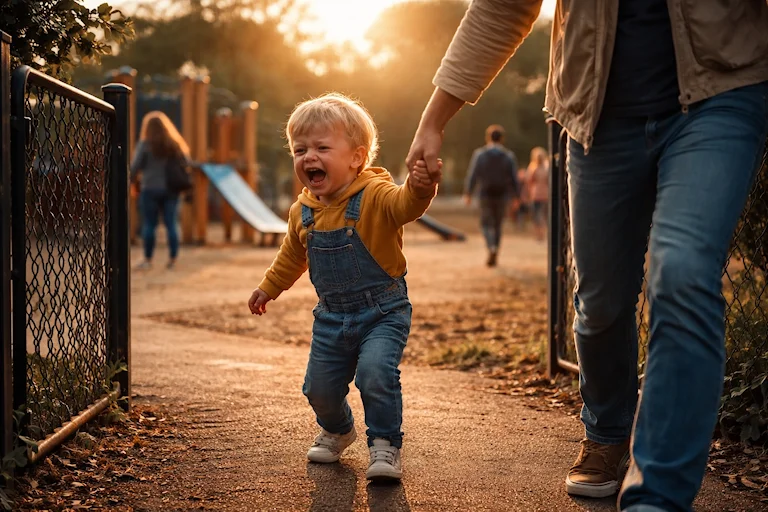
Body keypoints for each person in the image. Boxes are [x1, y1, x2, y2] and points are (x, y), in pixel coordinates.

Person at [405, 1, 768, 511]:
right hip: (598, 113)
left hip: (721, 93)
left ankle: (657, 496)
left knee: (682, 273)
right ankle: (608, 430)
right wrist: (434, 118)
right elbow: (503, 7)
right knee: (599, 303)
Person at [247, 93, 440, 481]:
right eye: (300, 149)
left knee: (375, 375)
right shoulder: (301, 211)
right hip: (332, 317)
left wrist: (420, 188)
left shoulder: (375, 195)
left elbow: (406, 205)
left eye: (321, 147)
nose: (308, 157)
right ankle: (338, 429)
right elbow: (291, 256)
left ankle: (385, 444)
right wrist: (268, 287)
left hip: (383, 311)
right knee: (318, 388)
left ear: (356, 157)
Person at [130, 111, 190, 270]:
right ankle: (173, 260)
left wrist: (132, 182)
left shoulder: (145, 144)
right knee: (171, 223)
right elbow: (186, 163)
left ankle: (148, 260)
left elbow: (135, 167)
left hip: (149, 188)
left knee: (149, 225)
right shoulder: (174, 144)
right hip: (171, 189)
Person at [462, 124, 519, 267]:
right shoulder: (508, 156)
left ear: (488, 138)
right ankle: (496, 249)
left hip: (485, 194)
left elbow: (473, 174)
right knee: (498, 224)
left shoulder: (480, 155)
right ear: (502, 139)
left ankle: (491, 247)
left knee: (486, 223)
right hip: (502, 194)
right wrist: (516, 196)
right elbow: (513, 177)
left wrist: (468, 192)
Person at [526, 147, 549, 242]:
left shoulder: (533, 167)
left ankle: (539, 234)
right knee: (542, 215)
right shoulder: (547, 167)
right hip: (544, 194)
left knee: (537, 215)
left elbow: (529, 181)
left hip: (536, 194)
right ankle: (541, 234)